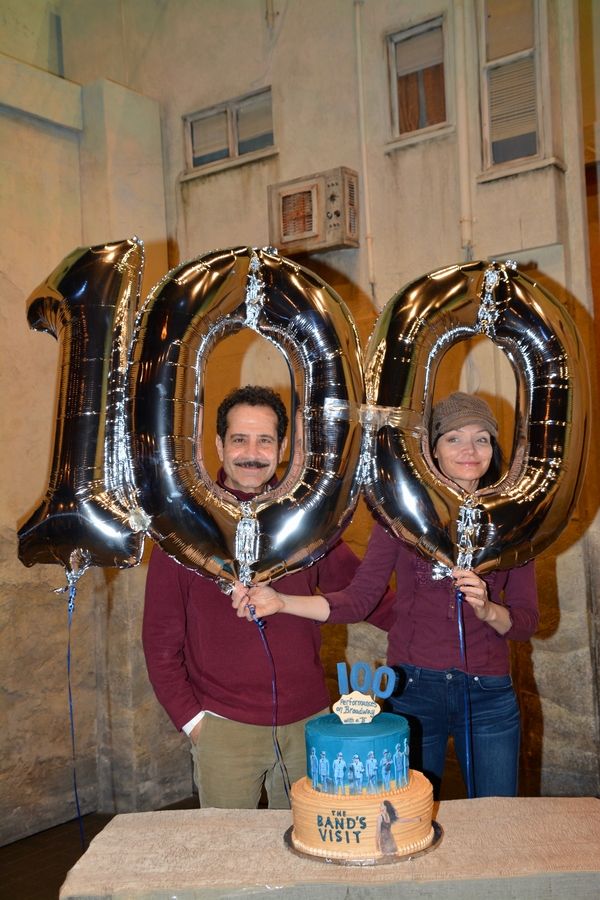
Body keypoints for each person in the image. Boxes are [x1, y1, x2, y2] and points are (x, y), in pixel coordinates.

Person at [233, 392, 539, 799]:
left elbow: (526, 623)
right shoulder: (400, 516)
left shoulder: (513, 523)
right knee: (407, 815)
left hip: (488, 696)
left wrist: (489, 611)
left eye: (481, 438)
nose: (469, 449)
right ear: (432, 450)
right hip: (415, 691)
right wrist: (281, 602)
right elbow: (360, 600)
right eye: (454, 439)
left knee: (498, 820)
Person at [142, 385, 390, 810]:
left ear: (283, 447)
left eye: (265, 440)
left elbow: (369, 598)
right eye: (239, 439)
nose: (252, 453)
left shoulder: (307, 522)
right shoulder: (185, 528)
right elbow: (160, 640)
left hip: (308, 724)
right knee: (230, 860)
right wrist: (194, 721)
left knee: (307, 850)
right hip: (224, 730)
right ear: (219, 445)